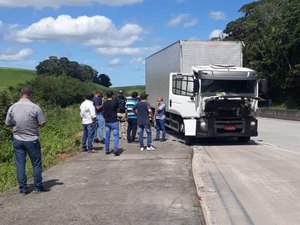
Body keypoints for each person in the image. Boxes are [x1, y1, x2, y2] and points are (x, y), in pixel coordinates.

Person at [5, 87, 47, 195]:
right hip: (32, 139)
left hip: (17, 139)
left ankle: (23, 189)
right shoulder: (35, 107)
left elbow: (7, 123)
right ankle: (38, 186)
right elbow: (42, 124)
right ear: (30, 95)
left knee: (20, 164)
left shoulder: (12, 107)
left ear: (20, 94)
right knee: (36, 164)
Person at [103, 91, 120, 156]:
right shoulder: (115, 102)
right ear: (112, 96)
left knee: (107, 136)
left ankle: (107, 150)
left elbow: (103, 112)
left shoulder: (104, 103)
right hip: (114, 121)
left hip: (107, 121)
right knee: (116, 136)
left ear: (107, 96)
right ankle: (115, 150)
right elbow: (118, 109)